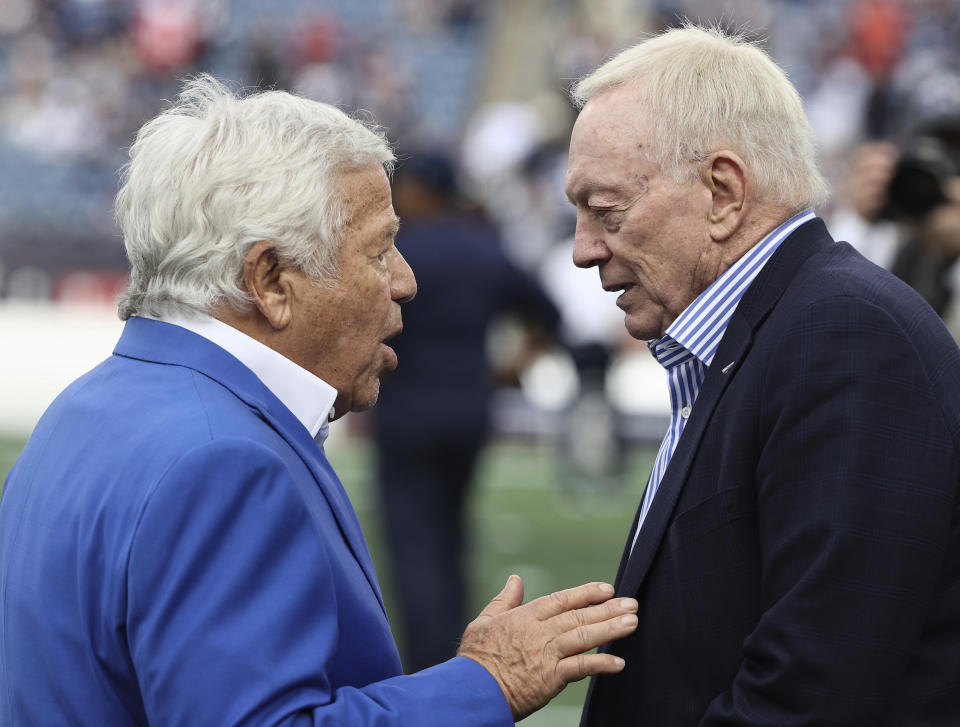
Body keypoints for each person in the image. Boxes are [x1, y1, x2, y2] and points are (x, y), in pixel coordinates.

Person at [0, 76, 639, 726]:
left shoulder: (81, 410)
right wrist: (486, 683)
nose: (405, 280)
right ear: (272, 280)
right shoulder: (222, 462)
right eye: (379, 250)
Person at [563, 25, 960, 726]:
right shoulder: (781, 333)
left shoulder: (846, 339)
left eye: (606, 210)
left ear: (723, 191)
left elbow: (811, 693)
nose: (583, 250)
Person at [370, 150, 561, 672]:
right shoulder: (484, 250)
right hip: (470, 412)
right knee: (453, 538)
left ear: (416, 190)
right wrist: (511, 367)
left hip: (406, 414)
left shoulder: (397, 252)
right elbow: (549, 313)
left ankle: (429, 668)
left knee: (414, 549)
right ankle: (462, 655)